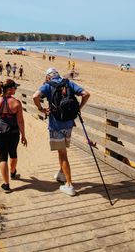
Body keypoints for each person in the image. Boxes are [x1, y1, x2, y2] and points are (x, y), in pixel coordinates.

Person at [32, 68, 90, 196]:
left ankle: (69, 185)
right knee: (62, 151)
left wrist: (41, 109)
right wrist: (79, 108)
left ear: (48, 77)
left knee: (62, 153)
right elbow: (86, 94)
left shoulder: (47, 85)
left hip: (56, 125)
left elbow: (35, 96)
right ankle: (62, 174)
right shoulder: (68, 83)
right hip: (69, 124)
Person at [0, 79, 27, 193]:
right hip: (13, 132)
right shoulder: (16, 103)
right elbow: (20, 121)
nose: (16, 89)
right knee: (13, 153)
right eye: (14, 87)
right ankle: (12, 172)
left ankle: (6, 185)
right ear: (10, 89)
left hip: (0, 132)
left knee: (3, 157)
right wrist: (23, 135)